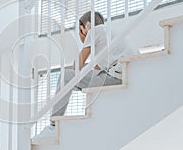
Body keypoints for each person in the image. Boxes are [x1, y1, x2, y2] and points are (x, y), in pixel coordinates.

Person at [32, 11, 130, 141]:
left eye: (79, 30)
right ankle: (88, 119)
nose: (79, 35)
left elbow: (77, 66)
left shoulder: (95, 31)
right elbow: (95, 70)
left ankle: (54, 125)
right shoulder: (108, 37)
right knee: (90, 80)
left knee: (66, 76)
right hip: (122, 75)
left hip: (116, 76)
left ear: (85, 26)